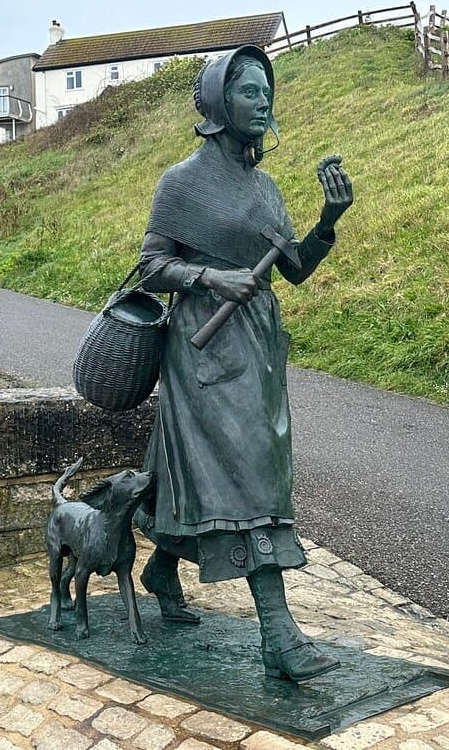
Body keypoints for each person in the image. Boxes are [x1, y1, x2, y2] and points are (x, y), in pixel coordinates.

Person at [134, 44, 353, 682]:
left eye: (266, 91)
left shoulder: (265, 188)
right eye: (249, 91)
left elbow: (296, 269)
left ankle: (161, 566)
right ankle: (278, 634)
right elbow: (151, 266)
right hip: (201, 344)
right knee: (248, 475)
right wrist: (209, 277)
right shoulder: (180, 183)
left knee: (229, 465)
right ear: (217, 102)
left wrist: (328, 221)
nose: (262, 102)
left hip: (256, 346)